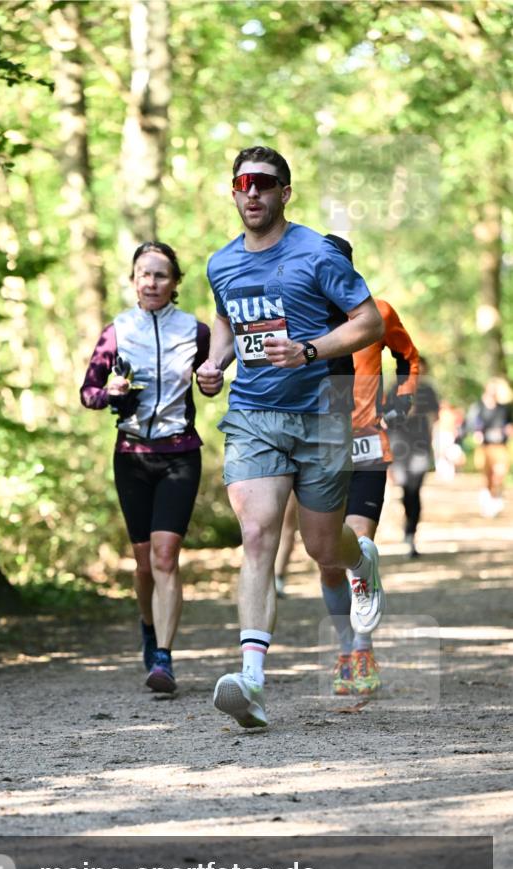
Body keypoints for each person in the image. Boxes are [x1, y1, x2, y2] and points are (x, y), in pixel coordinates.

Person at [196, 146, 385, 729]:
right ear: (233, 192)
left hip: (323, 410)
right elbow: (229, 318)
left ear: (284, 192)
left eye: (264, 183)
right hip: (254, 410)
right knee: (255, 533)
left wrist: (308, 349)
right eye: (242, 183)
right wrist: (215, 361)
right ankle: (251, 680)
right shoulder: (221, 263)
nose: (251, 192)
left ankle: (362, 562)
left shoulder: (317, 253)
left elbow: (369, 321)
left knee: (323, 549)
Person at [275, 238, 420, 696]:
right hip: (320, 446)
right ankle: (344, 643)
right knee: (327, 560)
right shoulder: (299, 322)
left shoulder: (377, 312)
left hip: (367, 445)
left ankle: (361, 649)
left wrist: (401, 403)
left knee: (357, 547)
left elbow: (410, 358)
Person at [80, 241, 210, 694]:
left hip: (180, 454)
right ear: (133, 280)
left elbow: (211, 380)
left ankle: (164, 658)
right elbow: (88, 393)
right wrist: (112, 394)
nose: (151, 282)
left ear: (175, 283)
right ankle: (148, 628)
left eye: (160, 275)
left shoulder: (196, 331)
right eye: (144, 274)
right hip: (132, 458)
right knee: (142, 566)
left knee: (165, 557)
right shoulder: (116, 331)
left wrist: (211, 380)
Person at [387, 356, 439, 557]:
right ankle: (408, 527)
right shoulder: (394, 389)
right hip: (399, 448)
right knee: (405, 490)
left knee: (415, 490)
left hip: (420, 448)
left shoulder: (428, 391)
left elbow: (435, 418)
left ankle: (411, 533)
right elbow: (385, 417)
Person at [466, 377, 513, 517]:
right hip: (485, 446)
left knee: (499, 473)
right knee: (487, 476)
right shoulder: (479, 407)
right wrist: (477, 432)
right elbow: (472, 424)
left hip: (500, 446)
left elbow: (509, 423)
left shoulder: (504, 408)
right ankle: (489, 500)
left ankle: (496, 497)